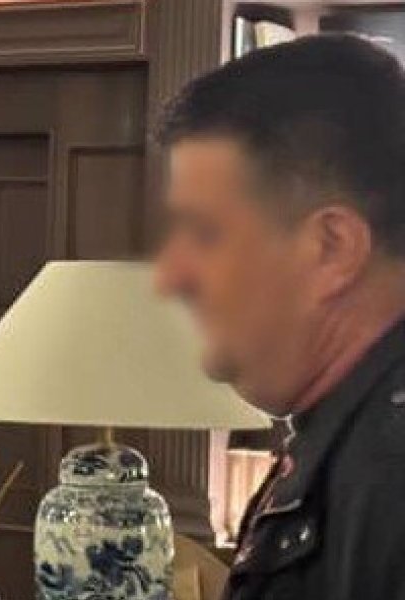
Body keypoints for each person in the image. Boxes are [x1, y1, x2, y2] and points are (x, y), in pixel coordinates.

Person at [156, 34, 405, 600]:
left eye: (206, 233)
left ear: (331, 248)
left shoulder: (390, 478)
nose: (171, 277)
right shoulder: (339, 444)